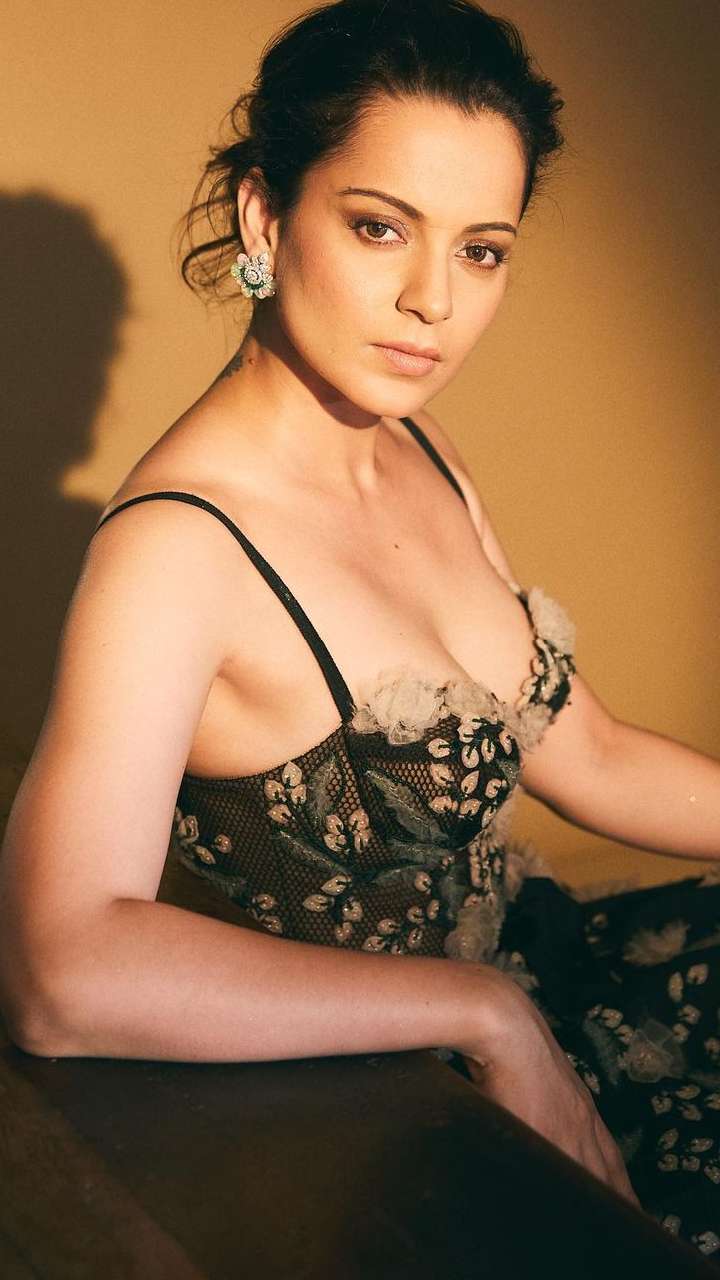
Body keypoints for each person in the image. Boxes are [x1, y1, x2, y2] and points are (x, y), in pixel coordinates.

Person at [1, 0, 719, 1260]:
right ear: (264, 218)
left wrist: (510, 1003)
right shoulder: (178, 548)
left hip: (548, 981)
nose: (432, 300)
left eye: (481, 250)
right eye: (380, 226)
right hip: (387, 1112)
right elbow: (59, 968)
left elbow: (589, 753)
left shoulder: (414, 445)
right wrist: (484, 1014)